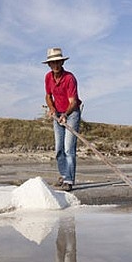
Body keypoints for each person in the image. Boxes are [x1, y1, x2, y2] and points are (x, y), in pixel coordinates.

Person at [43, 47, 82, 191]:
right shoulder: (48, 77)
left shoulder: (69, 78)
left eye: (58, 62)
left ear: (62, 62)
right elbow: (48, 96)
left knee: (68, 149)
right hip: (57, 114)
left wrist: (65, 114)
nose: (56, 65)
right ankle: (64, 175)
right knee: (59, 149)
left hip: (71, 114)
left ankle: (69, 181)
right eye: (53, 63)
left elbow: (73, 101)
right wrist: (52, 109)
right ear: (49, 65)